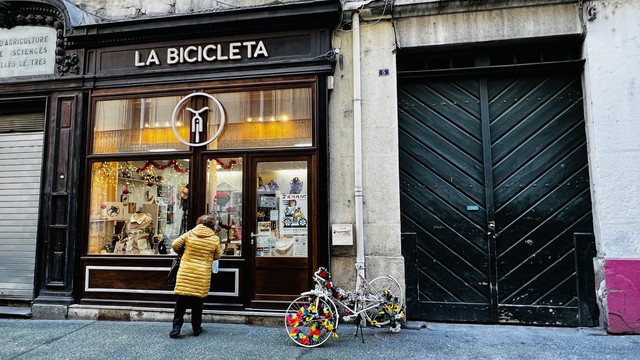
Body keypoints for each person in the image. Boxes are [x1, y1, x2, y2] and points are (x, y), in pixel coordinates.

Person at [170, 214, 222, 338]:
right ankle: (196, 328)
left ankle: (176, 328)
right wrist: (207, 257)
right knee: (197, 303)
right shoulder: (214, 238)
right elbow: (217, 255)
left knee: (181, 302)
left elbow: (175, 245)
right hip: (201, 274)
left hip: (186, 271)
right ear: (211, 225)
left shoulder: (190, 233)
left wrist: (183, 253)